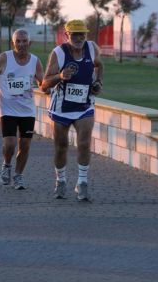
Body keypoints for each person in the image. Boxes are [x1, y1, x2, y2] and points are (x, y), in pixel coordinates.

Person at [41, 19, 103, 201]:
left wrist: (98, 82)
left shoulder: (92, 48)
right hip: (62, 108)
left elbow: (100, 65)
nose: (79, 38)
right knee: (61, 147)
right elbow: (44, 84)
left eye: (82, 34)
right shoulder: (59, 53)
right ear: (67, 35)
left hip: (84, 106)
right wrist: (59, 76)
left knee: (84, 143)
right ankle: (60, 180)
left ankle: (82, 183)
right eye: (75, 34)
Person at [0, 29, 44, 190]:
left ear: (29, 43)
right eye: (18, 41)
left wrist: (48, 86)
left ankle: (18, 176)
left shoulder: (35, 61)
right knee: (10, 144)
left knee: (25, 145)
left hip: (27, 111)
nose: (21, 44)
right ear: (13, 43)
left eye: (24, 41)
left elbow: (42, 81)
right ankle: (6, 165)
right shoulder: (4, 58)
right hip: (8, 109)